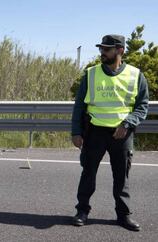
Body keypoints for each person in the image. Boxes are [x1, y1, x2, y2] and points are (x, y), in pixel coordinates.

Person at [71, 34, 149, 231]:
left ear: (120, 50)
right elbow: (79, 106)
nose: (102, 53)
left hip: (122, 135)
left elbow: (142, 106)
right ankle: (82, 211)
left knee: (122, 177)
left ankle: (123, 216)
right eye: (101, 49)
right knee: (88, 174)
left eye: (107, 49)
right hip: (94, 132)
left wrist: (127, 124)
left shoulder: (135, 75)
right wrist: (76, 132)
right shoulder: (91, 74)